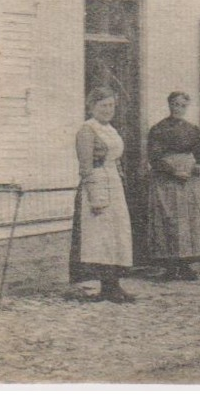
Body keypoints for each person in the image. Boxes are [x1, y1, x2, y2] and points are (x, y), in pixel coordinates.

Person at [70, 88, 135, 303]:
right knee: (102, 236)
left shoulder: (110, 130)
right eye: (103, 106)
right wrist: (95, 196)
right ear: (92, 107)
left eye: (111, 106)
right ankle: (107, 286)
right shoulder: (87, 131)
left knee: (117, 234)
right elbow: (86, 167)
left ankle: (114, 284)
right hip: (97, 185)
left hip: (113, 183)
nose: (108, 110)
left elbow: (115, 158)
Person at [146, 91, 200, 280]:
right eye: (175, 104)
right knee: (169, 219)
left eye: (183, 105)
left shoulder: (193, 129)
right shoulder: (158, 129)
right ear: (169, 105)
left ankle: (186, 266)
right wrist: (173, 171)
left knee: (188, 220)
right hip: (166, 180)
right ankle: (169, 265)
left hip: (189, 180)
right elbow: (154, 157)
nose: (179, 108)